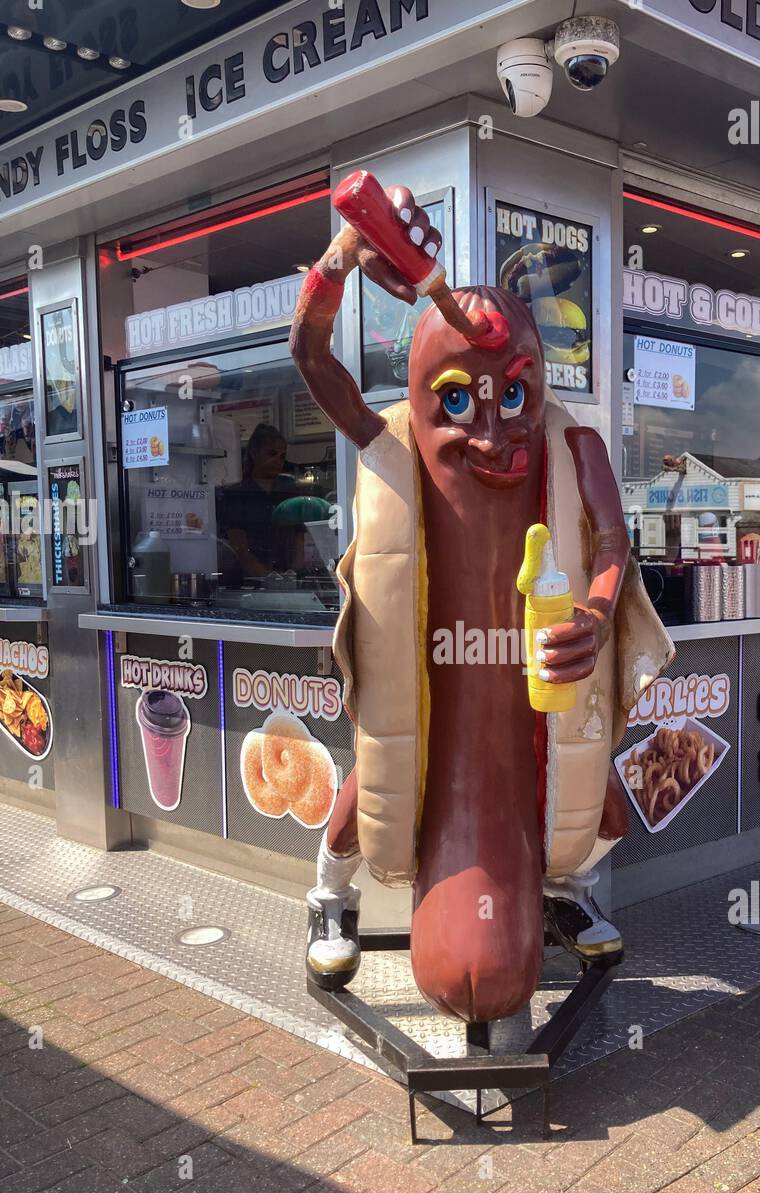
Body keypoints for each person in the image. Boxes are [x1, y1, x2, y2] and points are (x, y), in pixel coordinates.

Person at [291, 184, 674, 1022]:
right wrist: (338, 260)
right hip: (433, 685)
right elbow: (313, 359)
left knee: (602, 803)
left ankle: (561, 886)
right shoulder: (389, 442)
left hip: (529, 687)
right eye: (460, 401)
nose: (494, 433)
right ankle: (329, 895)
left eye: (513, 396)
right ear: (429, 394)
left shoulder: (575, 448)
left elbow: (613, 545)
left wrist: (599, 613)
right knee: (370, 789)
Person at [218, 425, 301, 579]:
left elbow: (298, 542)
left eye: (282, 456)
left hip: (287, 577)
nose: (278, 460)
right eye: (272, 453)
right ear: (254, 453)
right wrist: (266, 577)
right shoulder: (237, 494)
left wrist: (294, 575)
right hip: (247, 581)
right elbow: (239, 547)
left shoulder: (288, 492)